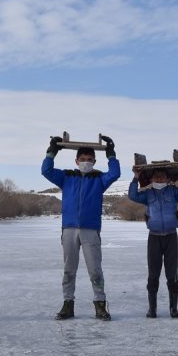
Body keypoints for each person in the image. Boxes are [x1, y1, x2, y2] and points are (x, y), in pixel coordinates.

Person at [42, 135, 121, 321]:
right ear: (76, 161)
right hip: (69, 229)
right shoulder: (66, 177)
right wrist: (52, 151)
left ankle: (100, 305)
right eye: (82, 160)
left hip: (90, 230)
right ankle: (67, 304)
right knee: (69, 269)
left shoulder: (99, 179)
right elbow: (46, 170)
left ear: (94, 161)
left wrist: (111, 154)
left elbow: (115, 173)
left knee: (95, 270)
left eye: (89, 160)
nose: (86, 162)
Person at [128, 161, 178, 318]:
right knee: (153, 274)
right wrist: (135, 177)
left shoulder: (174, 192)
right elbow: (132, 195)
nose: (159, 180)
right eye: (156, 177)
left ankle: (174, 308)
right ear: (152, 180)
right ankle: (152, 309)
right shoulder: (148, 195)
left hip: (171, 237)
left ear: (168, 179)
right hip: (154, 237)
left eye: (162, 177)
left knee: (172, 274)